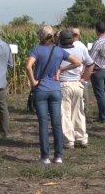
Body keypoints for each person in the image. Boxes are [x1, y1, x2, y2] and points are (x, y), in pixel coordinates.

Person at [26, 26, 81, 165]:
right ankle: (58, 156)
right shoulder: (58, 50)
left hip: (41, 90)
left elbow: (28, 66)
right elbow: (77, 63)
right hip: (56, 90)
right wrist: (61, 69)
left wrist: (33, 81)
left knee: (43, 124)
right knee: (56, 123)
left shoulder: (37, 49)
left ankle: (45, 157)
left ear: (41, 37)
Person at [58, 30, 94, 149]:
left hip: (64, 84)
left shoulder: (58, 52)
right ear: (72, 39)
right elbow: (90, 64)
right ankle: (82, 138)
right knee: (79, 112)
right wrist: (84, 79)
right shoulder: (81, 50)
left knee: (65, 113)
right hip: (78, 84)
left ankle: (69, 141)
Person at [71, 28, 90, 117]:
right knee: (83, 94)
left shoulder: (68, 46)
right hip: (80, 74)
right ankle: (84, 110)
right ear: (79, 35)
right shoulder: (83, 47)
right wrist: (84, 75)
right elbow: (89, 63)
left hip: (70, 76)